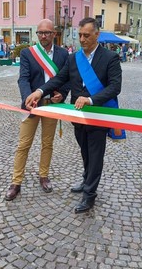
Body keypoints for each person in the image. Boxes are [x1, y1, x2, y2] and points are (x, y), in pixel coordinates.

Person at [25, 17, 122, 214]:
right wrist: (39, 91)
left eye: (87, 35)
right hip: (78, 117)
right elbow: (59, 79)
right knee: (85, 151)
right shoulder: (73, 58)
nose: (83, 39)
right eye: (80, 35)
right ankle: (87, 179)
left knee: (95, 156)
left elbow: (115, 87)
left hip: (98, 114)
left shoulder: (110, 58)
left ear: (97, 34)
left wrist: (91, 99)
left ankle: (90, 194)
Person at [5, 19, 70, 201]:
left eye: (47, 33)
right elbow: (23, 79)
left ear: (54, 34)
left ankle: (44, 176)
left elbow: (67, 79)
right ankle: (16, 182)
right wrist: (28, 98)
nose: (43, 36)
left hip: (52, 105)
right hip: (32, 105)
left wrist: (63, 95)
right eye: (40, 32)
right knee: (23, 144)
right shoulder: (28, 53)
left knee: (47, 143)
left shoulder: (64, 54)